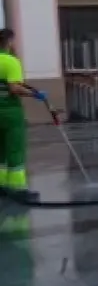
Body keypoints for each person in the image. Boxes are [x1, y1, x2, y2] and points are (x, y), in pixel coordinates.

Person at [0, 28, 46, 200]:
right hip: (10, 113)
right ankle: (18, 189)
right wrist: (35, 94)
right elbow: (14, 87)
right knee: (15, 149)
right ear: (9, 42)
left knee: (0, 151)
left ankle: (1, 186)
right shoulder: (10, 62)